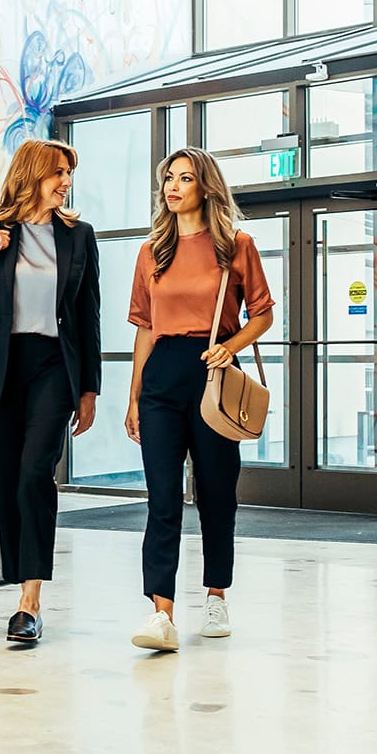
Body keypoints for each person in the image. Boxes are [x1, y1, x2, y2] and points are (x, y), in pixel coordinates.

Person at [0, 139, 102, 645]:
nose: (66, 182)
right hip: (0, 372)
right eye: (58, 173)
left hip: (54, 369)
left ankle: (30, 601)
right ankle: (19, 580)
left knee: (35, 474)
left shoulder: (78, 236)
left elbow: (87, 315)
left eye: (69, 174)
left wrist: (89, 388)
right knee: (8, 480)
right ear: (32, 174)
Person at [123, 147, 275, 652]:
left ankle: (216, 595)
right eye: (168, 177)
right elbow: (144, 330)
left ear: (205, 187)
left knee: (215, 493)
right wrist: (134, 395)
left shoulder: (236, 245)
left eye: (184, 178)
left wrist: (229, 349)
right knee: (161, 498)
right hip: (162, 378)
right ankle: (161, 612)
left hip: (213, 378)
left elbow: (262, 314)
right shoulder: (151, 252)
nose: (173, 186)